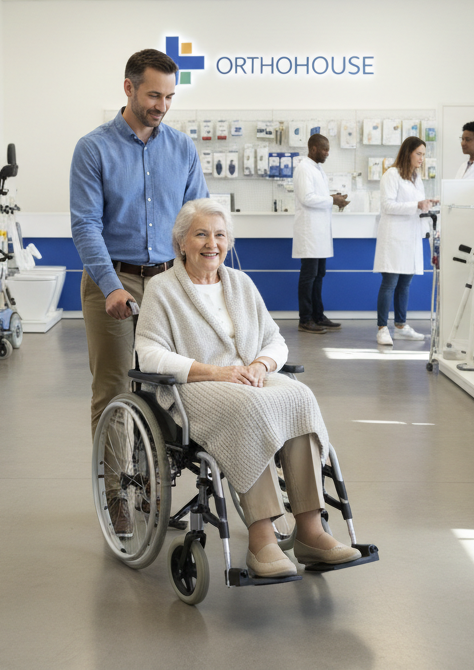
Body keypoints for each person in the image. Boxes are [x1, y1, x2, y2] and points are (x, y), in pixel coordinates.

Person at [136, 198, 360, 577]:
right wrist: (213, 372)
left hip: (248, 376)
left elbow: (274, 340)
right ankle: (262, 540)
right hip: (195, 384)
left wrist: (260, 365)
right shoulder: (163, 288)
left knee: (298, 397)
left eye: (220, 235)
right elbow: (148, 353)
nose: (212, 243)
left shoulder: (240, 283)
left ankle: (310, 531)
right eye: (201, 234)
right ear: (181, 243)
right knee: (249, 408)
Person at [69, 48, 208, 441]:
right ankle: (116, 482)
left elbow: (198, 218)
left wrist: (202, 278)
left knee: (168, 384)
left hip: (169, 282)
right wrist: (110, 286)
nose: (162, 106)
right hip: (112, 281)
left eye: (169, 97)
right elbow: (85, 225)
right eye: (154, 95)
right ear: (129, 88)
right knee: (114, 389)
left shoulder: (182, 148)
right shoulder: (93, 148)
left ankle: (155, 471)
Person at [374, 136, 437, 346]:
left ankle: (400, 326)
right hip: (394, 237)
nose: (421, 158)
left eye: (423, 155)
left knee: (405, 284)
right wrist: (417, 205)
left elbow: (416, 205)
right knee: (390, 283)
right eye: (418, 154)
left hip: (411, 237)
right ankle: (382, 328)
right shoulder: (391, 175)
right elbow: (388, 206)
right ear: (407, 152)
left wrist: (428, 203)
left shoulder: (416, 178)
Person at [293, 134, 348, 334]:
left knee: (318, 275)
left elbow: (318, 196)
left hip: (319, 232)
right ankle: (305, 319)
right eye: (324, 149)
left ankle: (318, 315)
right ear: (313, 148)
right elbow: (307, 198)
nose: (327, 153)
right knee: (309, 276)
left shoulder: (317, 169)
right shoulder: (303, 168)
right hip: (309, 232)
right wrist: (332, 200)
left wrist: (334, 197)